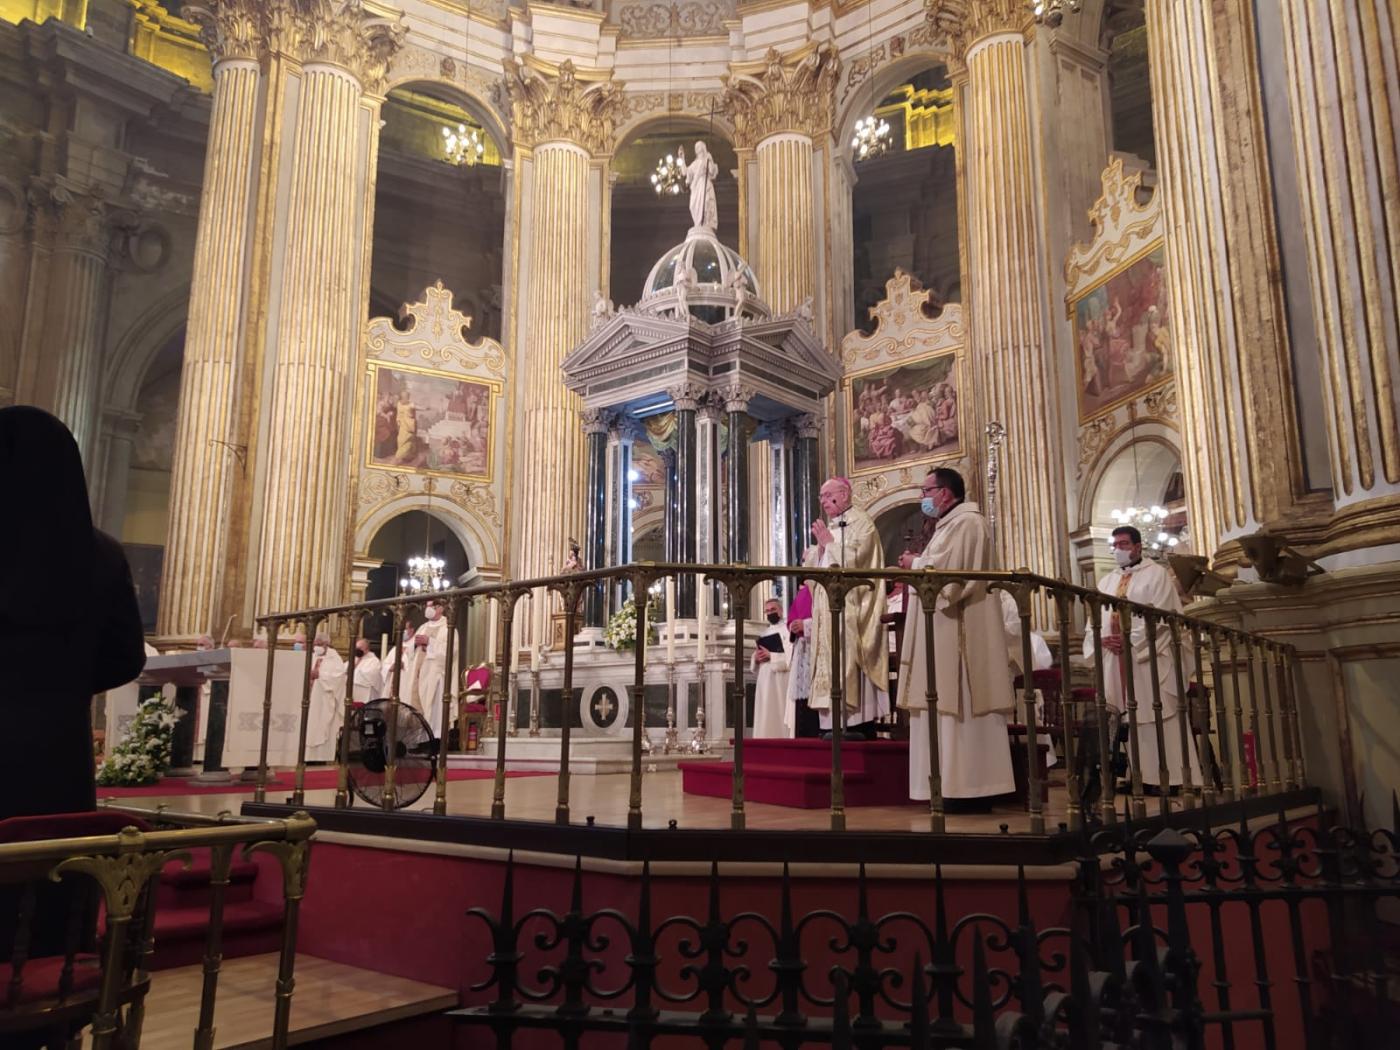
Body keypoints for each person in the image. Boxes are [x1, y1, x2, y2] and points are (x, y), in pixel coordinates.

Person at [0, 407, 146, 963]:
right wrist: (60, 685)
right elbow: (124, 659)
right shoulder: (102, 553)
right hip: (55, 758)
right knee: (44, 883)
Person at [896, 468, 1015, 808]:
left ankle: (970, 788)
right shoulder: (947, 526)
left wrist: (915, 564)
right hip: (941, 632)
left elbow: (954, 580)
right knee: (940, 704)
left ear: (945, 493)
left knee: (959, 703)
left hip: (960, 632)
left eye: (926, 490)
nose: (924, 498)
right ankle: (945, 786)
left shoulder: (969, 523)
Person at [1083, 525, 1200, 789]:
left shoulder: (1156, 575)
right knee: (1122, 716)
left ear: (1137, 547)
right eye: (1115, 545)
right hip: (1114, 657)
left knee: (1152, 713)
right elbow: (1093, 619)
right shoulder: (1107, 581)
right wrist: (1101, 639)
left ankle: (1167, 776)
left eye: (1123, 544)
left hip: (1145, 656)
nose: (1118, 550)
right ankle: (1130, 774)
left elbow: (1162, 615)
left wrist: (1129, 639)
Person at [804, 477, 888, 739]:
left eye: (827, 495)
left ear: (845, 494)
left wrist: (829, 544)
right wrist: (818, 551)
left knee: (848, 657)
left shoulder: (862, 524)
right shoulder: (831, 529)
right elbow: (812, 575)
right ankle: (831, 725)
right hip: (826, 611)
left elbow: (858, 561)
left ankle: (857, 725)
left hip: (852, 609)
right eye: (820, 497)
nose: (823, 501)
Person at [751, 597, 793, 738]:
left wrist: (772, 655)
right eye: (767, 611)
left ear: (781, 611)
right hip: (764, 680)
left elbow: (791, 657)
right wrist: (756, 658)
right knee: (764, 713)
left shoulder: (788, 630)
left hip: (780, 680)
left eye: (773, 610)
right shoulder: (764, 633)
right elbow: (757, 655)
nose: (770, 613)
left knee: (778, 712)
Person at [406, 601, 450, 733]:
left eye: (432, 606)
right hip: (418, 674)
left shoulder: (448, 627)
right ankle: (418, 738)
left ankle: (433, 739)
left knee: (433, 708)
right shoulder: (423, 627)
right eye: (427, 606)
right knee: (416, 705)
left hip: (435, 676)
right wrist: (414, 645)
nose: (428, 609)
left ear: (441, 608)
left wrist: (429, 642)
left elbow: (449, 652)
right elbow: (410, 649)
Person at [785, 583, 820, 738]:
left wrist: (806, 625)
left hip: (818, 647)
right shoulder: (803, 592)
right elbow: (792, 616)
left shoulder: (821, 588)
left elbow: (827, 617)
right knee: (803, 702)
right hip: (802, 647)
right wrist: (793, 625)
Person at [307, 635, 346, 755]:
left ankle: (321, 755)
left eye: (319, 644)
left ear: (326, 644)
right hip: (309, 696)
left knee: (321, 723)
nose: (316, 647)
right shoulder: (312, 655)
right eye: (315, 644)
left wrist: (320, 674)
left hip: (324, 698)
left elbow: (338, 676)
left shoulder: (335, 658)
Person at [686, 140, 718, 230]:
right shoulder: (695, 163)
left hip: (705, 183)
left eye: (699, 146)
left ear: (703, 148)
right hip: (696, 186)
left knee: (706, 202)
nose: (697, 148)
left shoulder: (707, 159)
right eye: (696, 147)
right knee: (693, 205)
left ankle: (705, 223)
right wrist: (682, 158)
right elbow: (686, 172)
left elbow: (711, 171)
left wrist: (710, 160)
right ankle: (698, 223)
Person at [350, 638, 383, 704]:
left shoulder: (374, 660)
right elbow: (346, 670)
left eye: (360, 648)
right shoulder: (354, 658)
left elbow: (372, 675)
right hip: (352, 690)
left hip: (365, 691)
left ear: (367, 649)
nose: (357, 650)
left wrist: (357, 672)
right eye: (356, 648)